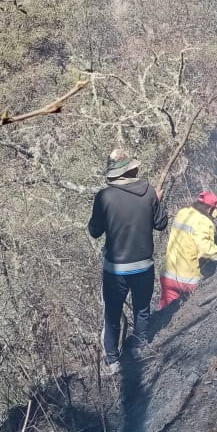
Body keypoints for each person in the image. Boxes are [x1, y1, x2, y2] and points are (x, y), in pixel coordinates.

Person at [88, 149, 168, 375]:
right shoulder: (150, 193)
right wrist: (158, 202)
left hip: (115, 269)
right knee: (142, 310)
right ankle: (141, 349)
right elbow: (161, 224)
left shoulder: (104, 197)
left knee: (112, 314)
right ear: (133, 169)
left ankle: (113, 362)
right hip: (144, 265)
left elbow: (95, 231)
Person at [157, 191, 217, 309]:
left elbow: (197, 220)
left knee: (165, 314)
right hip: (187, 280)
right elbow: (206, 250)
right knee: (186, 313)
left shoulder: (182, 213)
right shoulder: (205, 223)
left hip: (168, 276)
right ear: (211, 208)